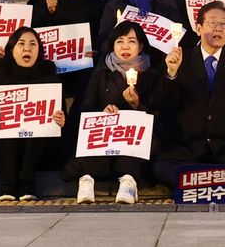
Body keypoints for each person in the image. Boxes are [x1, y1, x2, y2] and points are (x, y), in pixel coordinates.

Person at [152, 1, 225, 185]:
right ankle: (218, 180)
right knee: (160, 168)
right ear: (198, 28)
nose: (218, 28)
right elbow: (162, 103)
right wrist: (171, 73)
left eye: (223, 24)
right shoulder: (179, 58)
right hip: (186, 148)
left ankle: (197, 180)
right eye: (212, 22)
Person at [68, 20, 159, 204]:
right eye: (120, 41)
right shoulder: (101, 71)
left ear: (141, 46)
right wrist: (103, 111)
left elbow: (158, 111)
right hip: (106, 130)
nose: (125, 46)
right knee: (91, 134)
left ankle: (128, 181)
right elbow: (86, 106)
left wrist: (136, 105)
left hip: (134, 135)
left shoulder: (151, 74)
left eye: (131, 41)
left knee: (138, 138)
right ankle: (86, 179)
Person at [0, 26, 66, 200]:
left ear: (39, 49)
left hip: (40, 143)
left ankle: (26, 185)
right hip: (4, 140)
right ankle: (7, 186)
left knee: (33, 132)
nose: (27, 49)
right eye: (21, 44)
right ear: (11, 49)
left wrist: (60, 119)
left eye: (33, 44)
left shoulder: (48, 73)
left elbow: (61, 113)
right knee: (9, 134)